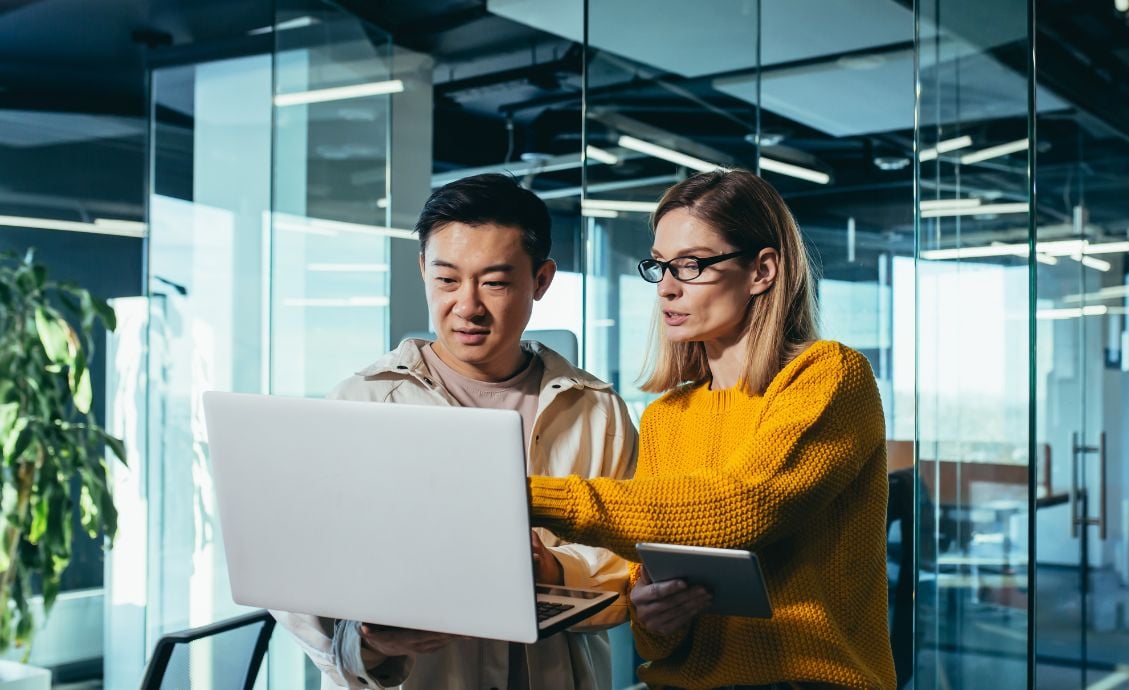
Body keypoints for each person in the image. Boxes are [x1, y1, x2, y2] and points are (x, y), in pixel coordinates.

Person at [527, 169, 896, 689]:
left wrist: (527, 496)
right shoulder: (666, 416)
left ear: (763, 269)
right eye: (659, 267)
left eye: (692, 265)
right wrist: (654, 616)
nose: (668, 289)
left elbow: (743, 506)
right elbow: (655, 622)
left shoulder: (827, 375)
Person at [272, 173, 637, 690]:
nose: (467, 306)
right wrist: (370, 640)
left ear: (542, 280)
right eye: (447, 280)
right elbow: (296, 579)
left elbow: (630, 570)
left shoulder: (597, 412)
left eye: (495, 282)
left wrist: (551, 571)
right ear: (423, 269)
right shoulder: (363, 402)